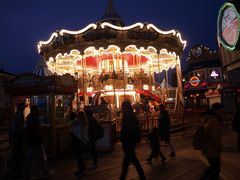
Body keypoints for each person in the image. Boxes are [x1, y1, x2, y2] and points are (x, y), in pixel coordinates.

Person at [25, 105, 54, 180]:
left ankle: (29, 174)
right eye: (38, 110)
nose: (39, 111)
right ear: (34, 110)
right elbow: (36, 131)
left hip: (31, 141)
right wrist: (41, 136)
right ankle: (44, 172)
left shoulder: (29, 118)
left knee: (32, 158)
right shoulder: (34, 119)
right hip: (36, 141)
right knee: (40, 158)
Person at [119, 100, 146, 180]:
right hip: (130, 143)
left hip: (128, 143)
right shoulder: (131, 117)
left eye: (122, 107)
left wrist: (124, 138)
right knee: (132, 162)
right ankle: (142, 177)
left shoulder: (127, 118)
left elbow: (128, 131)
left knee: (127, 164)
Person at [200, 102, 224, 180]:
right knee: (215, 169)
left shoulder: (208, 118)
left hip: (208, 148)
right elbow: (214, 137)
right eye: (221, 109)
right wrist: (218, 147)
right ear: (217, 110)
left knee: (213, 167)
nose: (222, 111)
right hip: (212, 149)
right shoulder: (214, 120)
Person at [71, 111, 89, 177]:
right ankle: (82, 169)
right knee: (79, 157)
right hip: (80, 141)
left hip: (78, 141)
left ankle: (82, 170)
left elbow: (81, 133)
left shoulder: (81, 124)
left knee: (79, 157)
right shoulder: (84, 123)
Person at [11, 102, 25, 177]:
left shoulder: (18, 113)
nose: (24, 107)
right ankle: (18, 166)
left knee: (17, 150)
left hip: (16, 134)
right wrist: (23, 129)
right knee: (18, 150)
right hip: (17, 134)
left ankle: (17, 165)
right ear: (20, 107)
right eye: (23, 106)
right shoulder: (19, 114)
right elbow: (19, 125)